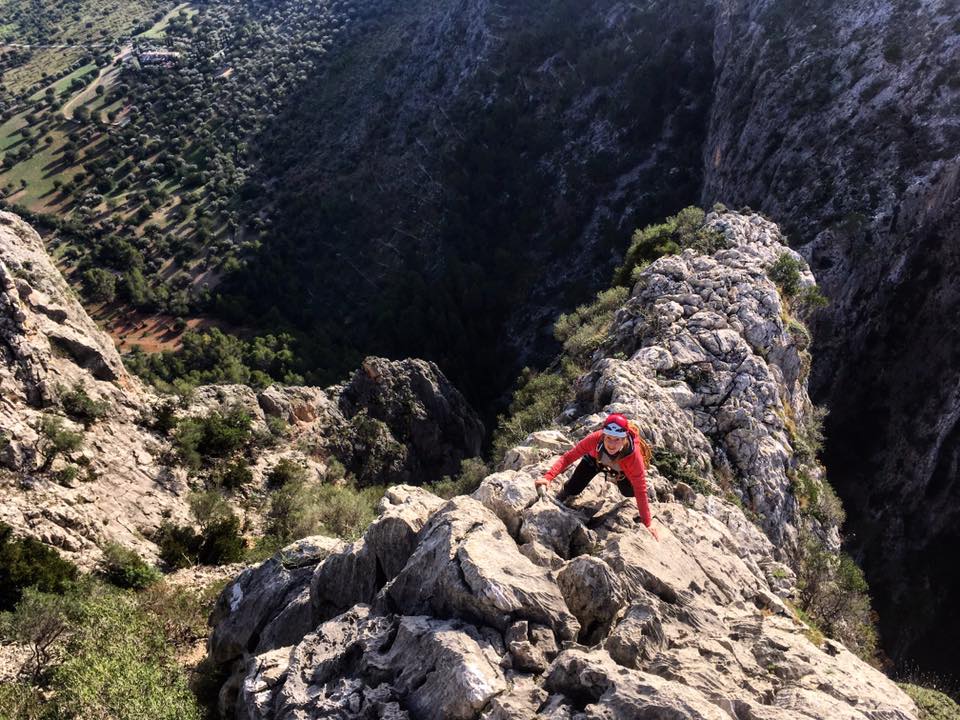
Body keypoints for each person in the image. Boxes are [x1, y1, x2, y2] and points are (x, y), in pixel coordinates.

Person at [535, 413, 659, 541]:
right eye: (609, 438)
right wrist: (548, 477)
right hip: (596, 460)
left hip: (621, 471)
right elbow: (569, 457)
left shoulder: (633, 457)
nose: (611, 444)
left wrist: (648, 523)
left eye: (617, 439)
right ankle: (564, 493)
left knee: (629, 491)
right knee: (573, 488)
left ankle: (615, 476)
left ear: (624, 439)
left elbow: (640, 489)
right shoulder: (595, 438)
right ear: (603, 435)